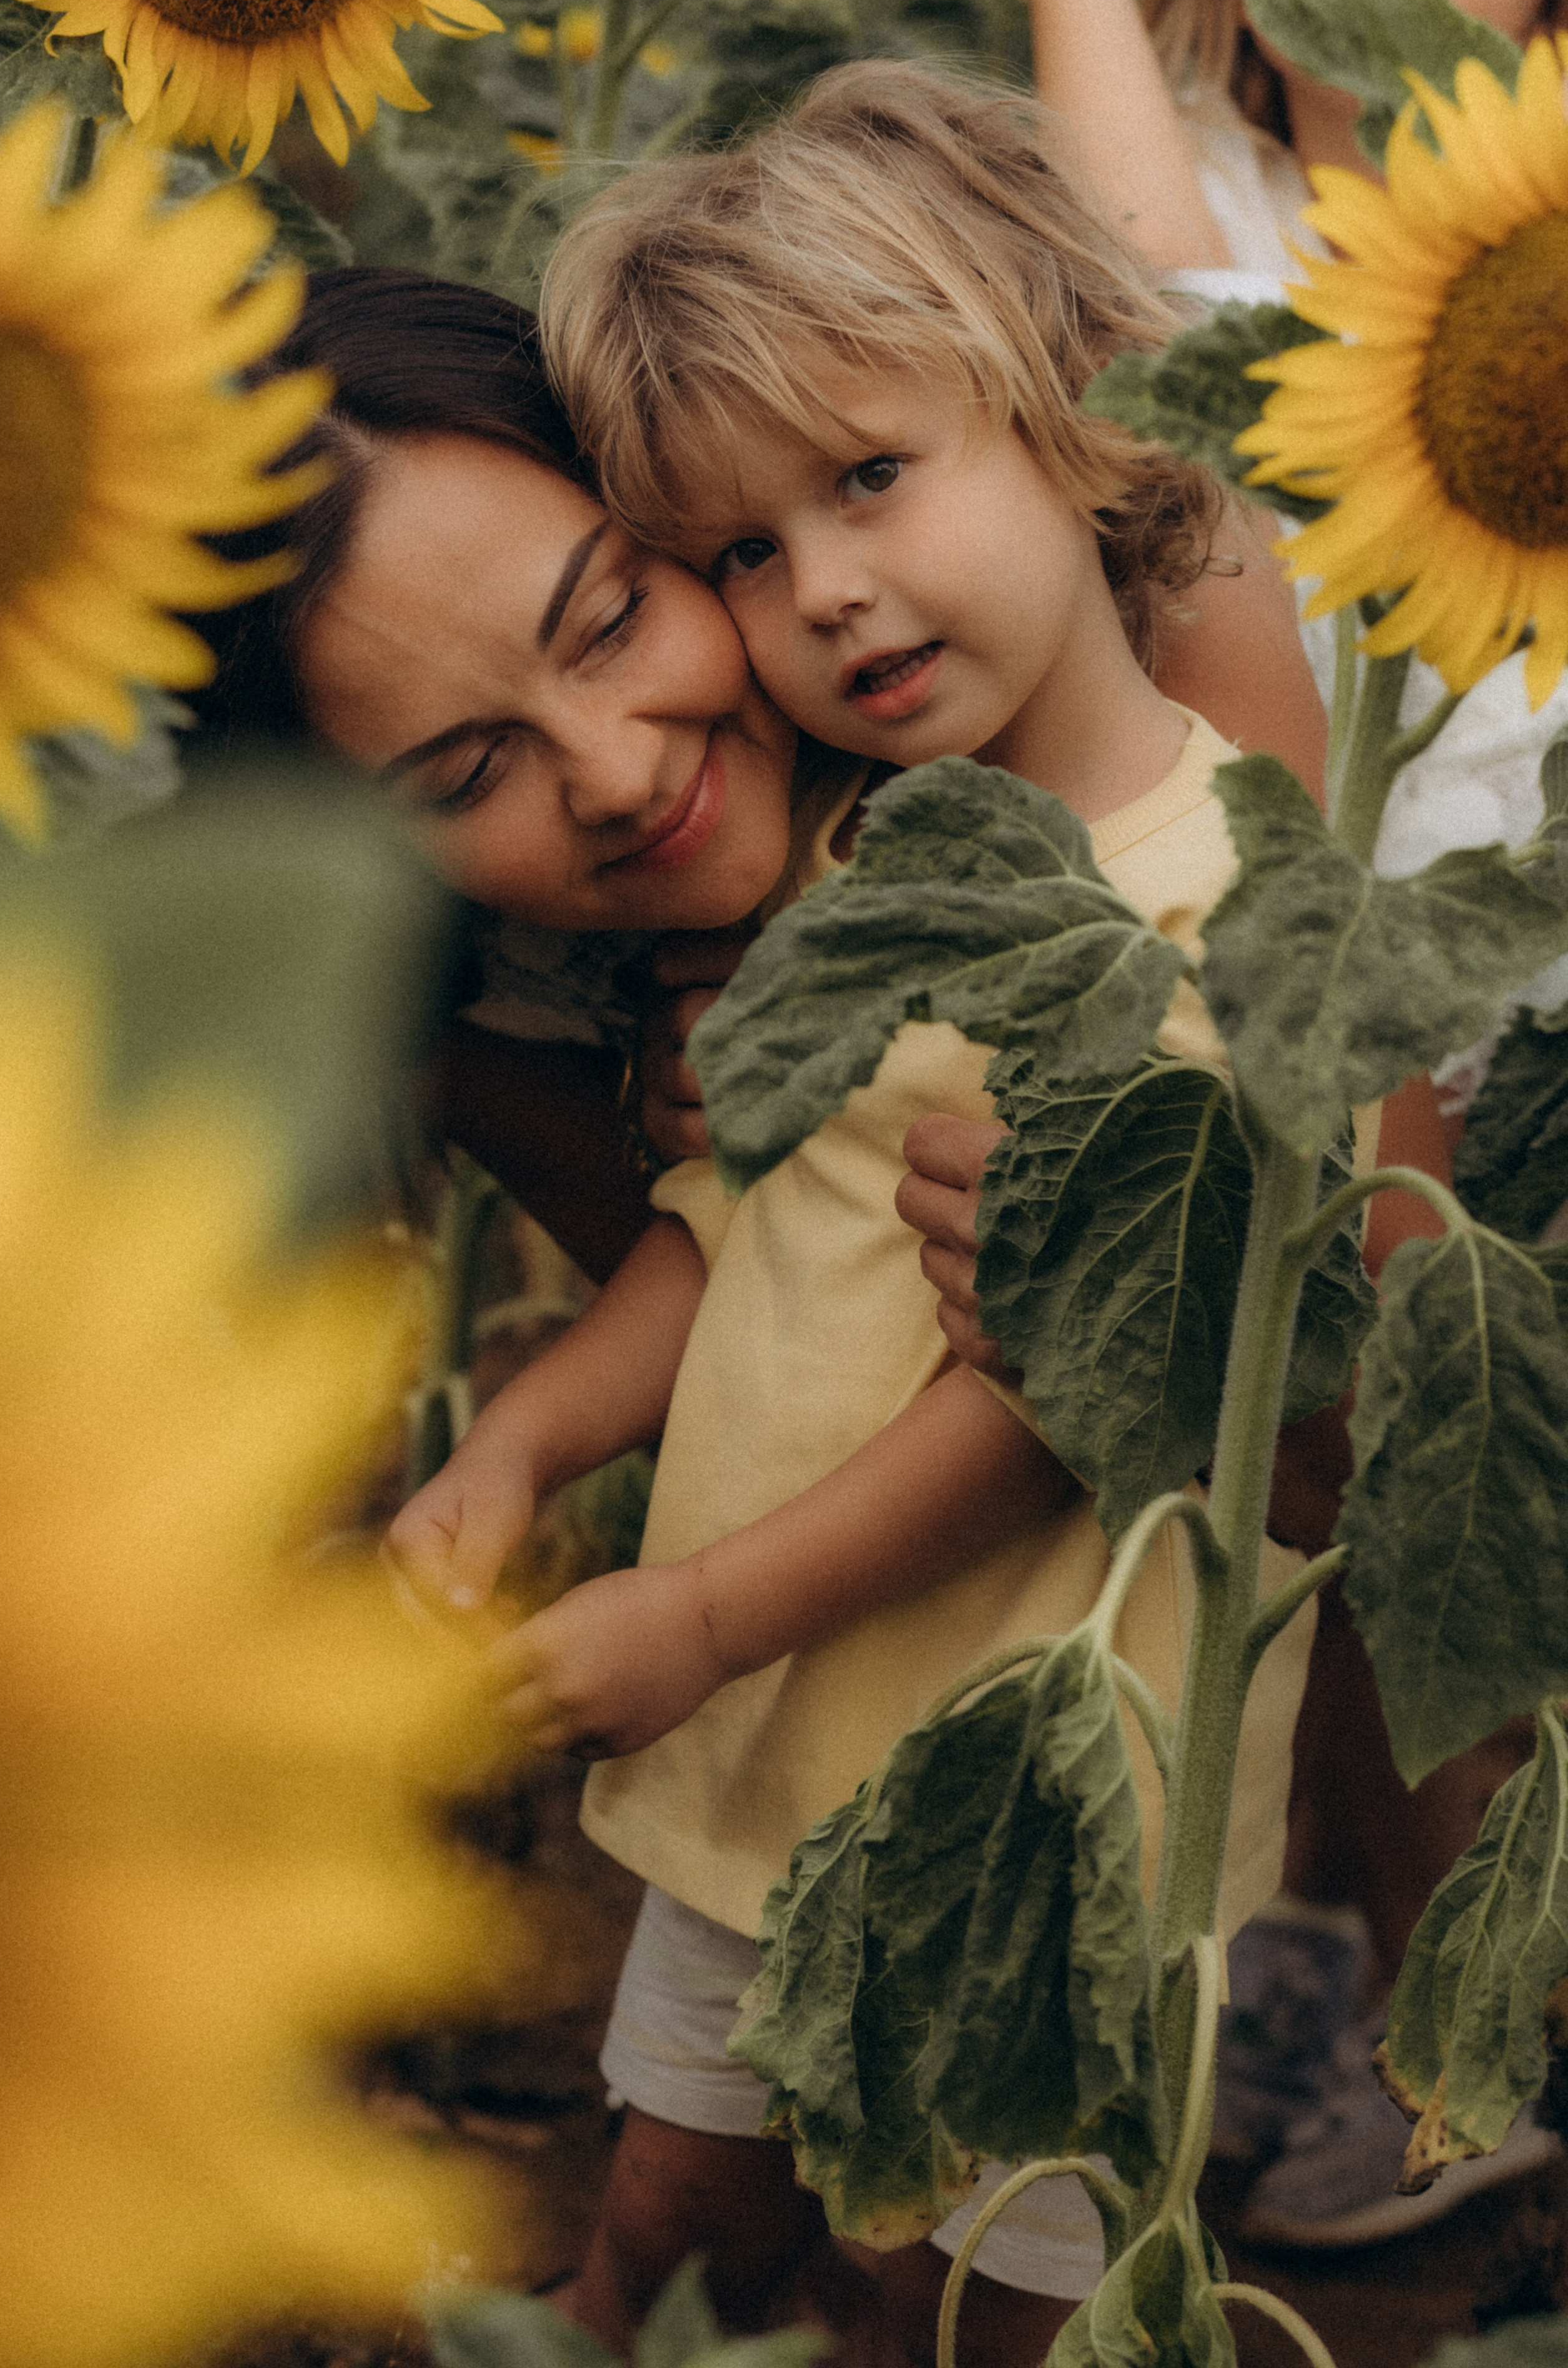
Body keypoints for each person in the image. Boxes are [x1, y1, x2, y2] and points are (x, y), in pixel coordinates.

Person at [190, 250, 1323, 2362]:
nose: (620, 772)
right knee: (678, 2221)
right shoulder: (827, 888)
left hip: (1057, 1809)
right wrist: (527, 1438)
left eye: (615, 614)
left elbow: (1115, 1387)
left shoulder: (1170, 845)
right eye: (463, 773)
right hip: (771, 1778)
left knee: (968, 2292)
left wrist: (705, 1612)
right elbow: (720, 1232)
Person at [867, 0, 1568, 2253]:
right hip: (1296, 953)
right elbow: (1146, 317)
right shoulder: (1186, 163)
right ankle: (1325, 1961)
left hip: (1528, 976)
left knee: (1450, 1529)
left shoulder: (1529, 209)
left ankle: (1465, 2017)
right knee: (1295, 1499)